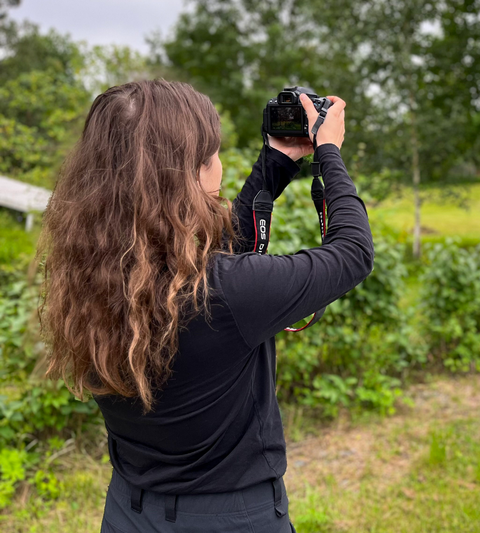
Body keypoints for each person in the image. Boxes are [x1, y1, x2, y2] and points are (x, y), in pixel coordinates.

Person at [36, 79, 374, 532]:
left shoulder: (91, 274)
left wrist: (277, 159)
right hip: (232, 518)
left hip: (128, 512)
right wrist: (329, 151)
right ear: (186, 176)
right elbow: (352, 253)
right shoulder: (228, 292)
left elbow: (208, 248)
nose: (218, 172)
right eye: (211, 156)